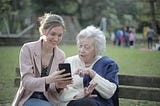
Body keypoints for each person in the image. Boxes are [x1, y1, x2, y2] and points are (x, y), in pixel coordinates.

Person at [12, 13, 72, 106]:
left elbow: (54, 89)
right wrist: (48, 79)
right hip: (29, 98)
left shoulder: (61, 55)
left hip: (50, 100)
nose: (56, 39)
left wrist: (59, 86)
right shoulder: (28, 48)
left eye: (60, 35)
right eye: (53, 34)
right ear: (43, 31)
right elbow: (26, 81)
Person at [59, 25, 119, 106]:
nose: (81, 50)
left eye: (86, 47)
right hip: (72, 102)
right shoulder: (69, 62)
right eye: (80, 46)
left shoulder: (108, 64)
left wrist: (92, 74)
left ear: (96, 49)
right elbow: (61, 90)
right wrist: (79, 95)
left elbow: (109, 92)